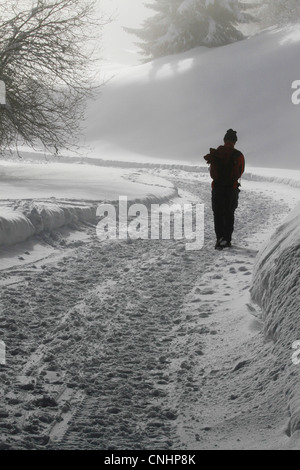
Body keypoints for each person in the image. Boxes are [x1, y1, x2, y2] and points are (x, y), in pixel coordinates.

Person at [203, 129, 245, 250]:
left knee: (218, 214)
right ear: (234, 141)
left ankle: (219, 239)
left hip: (217, 188)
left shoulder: (217, 152)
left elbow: (212, 173)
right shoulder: (238, 155)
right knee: (229, 213)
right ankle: (227, 240)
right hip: (231, 189)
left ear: (224, 140)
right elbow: (241, 171)